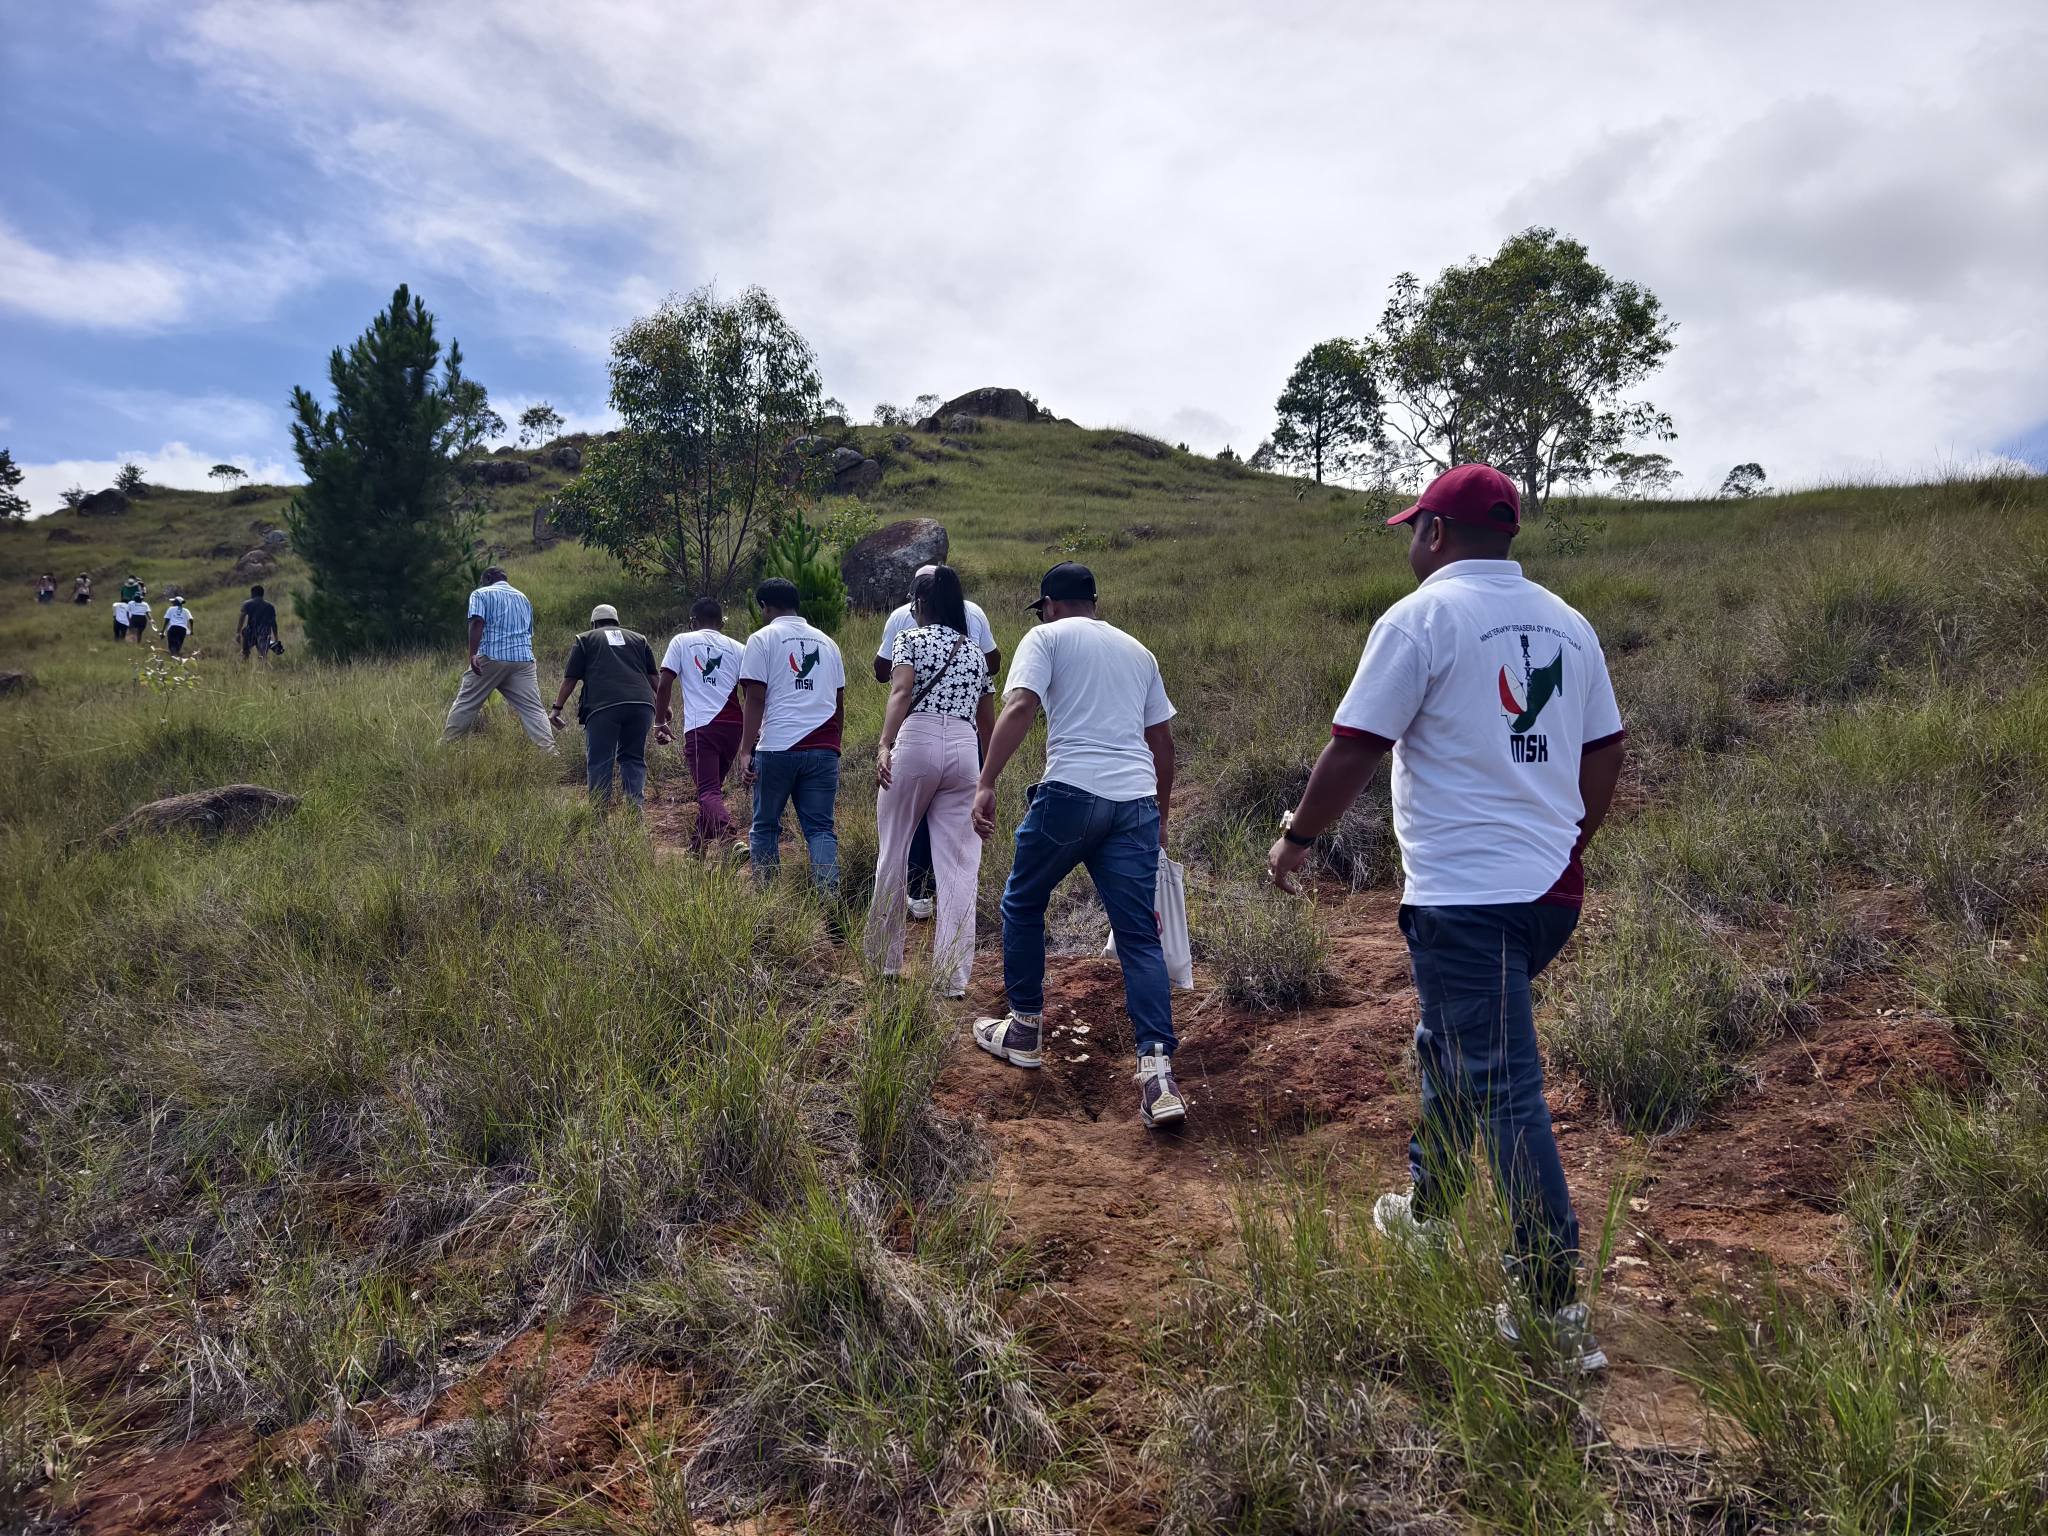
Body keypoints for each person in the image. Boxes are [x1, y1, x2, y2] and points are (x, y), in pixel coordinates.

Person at [1265, 463, 1627, 1374]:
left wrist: (1296, 838)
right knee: (1452, 1043)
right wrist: (1571, 838)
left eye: (1411, 531)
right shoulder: (1569, 625)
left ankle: (1549, 1304)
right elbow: (1606, 747)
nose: (1409, 546)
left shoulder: (1422, 618)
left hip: (1469, 900)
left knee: (1503, 1079)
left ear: (1434, 534)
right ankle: (1430, 1210)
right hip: (1551, 894)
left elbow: (1355, 745)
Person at [970, 562, 1185, 1128]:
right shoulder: (1140, 653)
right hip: (1134, 802)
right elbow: (1162, 743)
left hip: (1071, 792)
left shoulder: (1044, 637)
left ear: (1052, 604)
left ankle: (1023, 1028)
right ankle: (1158, 1075)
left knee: (1022, 901)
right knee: (1139, 936)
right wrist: (1158, 817)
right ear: (1094, 602)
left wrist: (987, 781)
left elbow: (1019, 707)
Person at [868, 565, 995, 997]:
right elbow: (986, 716)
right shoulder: (975, 652)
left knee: (894, 851)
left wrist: (885, 744)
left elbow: (900, 691)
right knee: (959, 868)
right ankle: (952, 979)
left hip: (917, 740)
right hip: (965, 749)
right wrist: (987, 775)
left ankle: (885, 961)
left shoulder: (911, 639)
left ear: (920, 604)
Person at [736, 577, 846, 891]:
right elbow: (838, 703)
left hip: (777, 748)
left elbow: (755, 698)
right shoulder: (828, 642)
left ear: (765, 607)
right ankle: (829, 898)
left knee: (766, 827)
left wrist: (746, 751)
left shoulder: (762, 639)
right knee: (820, 829)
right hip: (824, 747)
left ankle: (767, 902)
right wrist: (834, 743)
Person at [656, 598, 747, 854]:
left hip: (702, 727)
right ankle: (696, 851)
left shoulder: (681, 641)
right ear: (721, 623)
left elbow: (664, 684)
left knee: (707, 791)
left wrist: (659, 722)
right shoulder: (738, 648)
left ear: (692, 622)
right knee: (712, 790)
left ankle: (730, 840)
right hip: (734, 727)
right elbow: (751, 692)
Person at [549, 604, 660, 809]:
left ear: (594, 623)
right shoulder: (639, 639)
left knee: (600, 759)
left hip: (604, 706)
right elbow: (654, 676)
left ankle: (599, 814)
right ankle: (635, 812)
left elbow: (570, 679)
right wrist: (664, 705)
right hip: (642, 705)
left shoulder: (585, 639)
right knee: (633, 758)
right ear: (617, 622)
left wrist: (557, 708)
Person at [441, 567, 555, 750]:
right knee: (534, 710)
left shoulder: (480, 594)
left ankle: (446, 746)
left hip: (492, 657)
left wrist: (472, 654)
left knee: (466, 703)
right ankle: (550, 752)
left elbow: (477, 622)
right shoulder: (523, 598)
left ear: (487, 578)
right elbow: (528, 632)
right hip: (523, 661)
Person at [237, 585, 278, 662]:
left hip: (250, 632)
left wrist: (238, 633)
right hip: (264, 633)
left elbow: (241, 618)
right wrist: (276, 638)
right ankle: (262, 671)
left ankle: (244, 669)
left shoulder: (247, 604)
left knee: (245, 654)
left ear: (252, 594)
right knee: (263, 655)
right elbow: (273, 623)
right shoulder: (270, 606)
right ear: (262, 594)